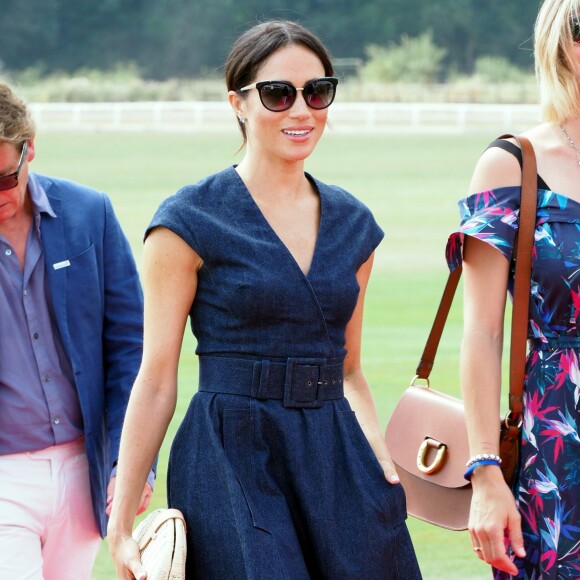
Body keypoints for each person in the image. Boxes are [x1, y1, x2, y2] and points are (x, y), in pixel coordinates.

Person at [108, 19, 422, 580]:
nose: (301, 111)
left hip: (336, 454)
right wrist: (120, 521)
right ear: (239, 103)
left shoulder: (354, 225)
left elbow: (350, 370)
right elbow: (156, 377)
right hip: (230, 456)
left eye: (317, 92)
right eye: (279, 94)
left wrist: (376, 452)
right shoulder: (186, 221)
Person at [446, 1, 580, 578]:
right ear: (563, 40)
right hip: (557, 448)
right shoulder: (513, 165)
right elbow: (481, 332)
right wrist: (484, 472)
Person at [0, 81, 153, 579]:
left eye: (4, 178)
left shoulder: (90, 214)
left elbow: (130, 349)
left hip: (84, 472)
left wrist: (132, 465)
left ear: (30, 150)